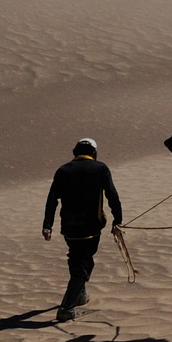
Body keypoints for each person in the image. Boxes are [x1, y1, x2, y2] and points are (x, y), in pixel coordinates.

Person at [42, 138, 123, 322]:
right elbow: (112, 195)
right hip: (91, 228)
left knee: (75, 258)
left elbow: (52, 199)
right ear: (94, 153)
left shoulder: (63, 170)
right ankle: (66, 308)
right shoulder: (100, 169)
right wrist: (118, 218)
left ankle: (80, 295)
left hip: (69, 229)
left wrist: (47, 224)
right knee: (84, 266)